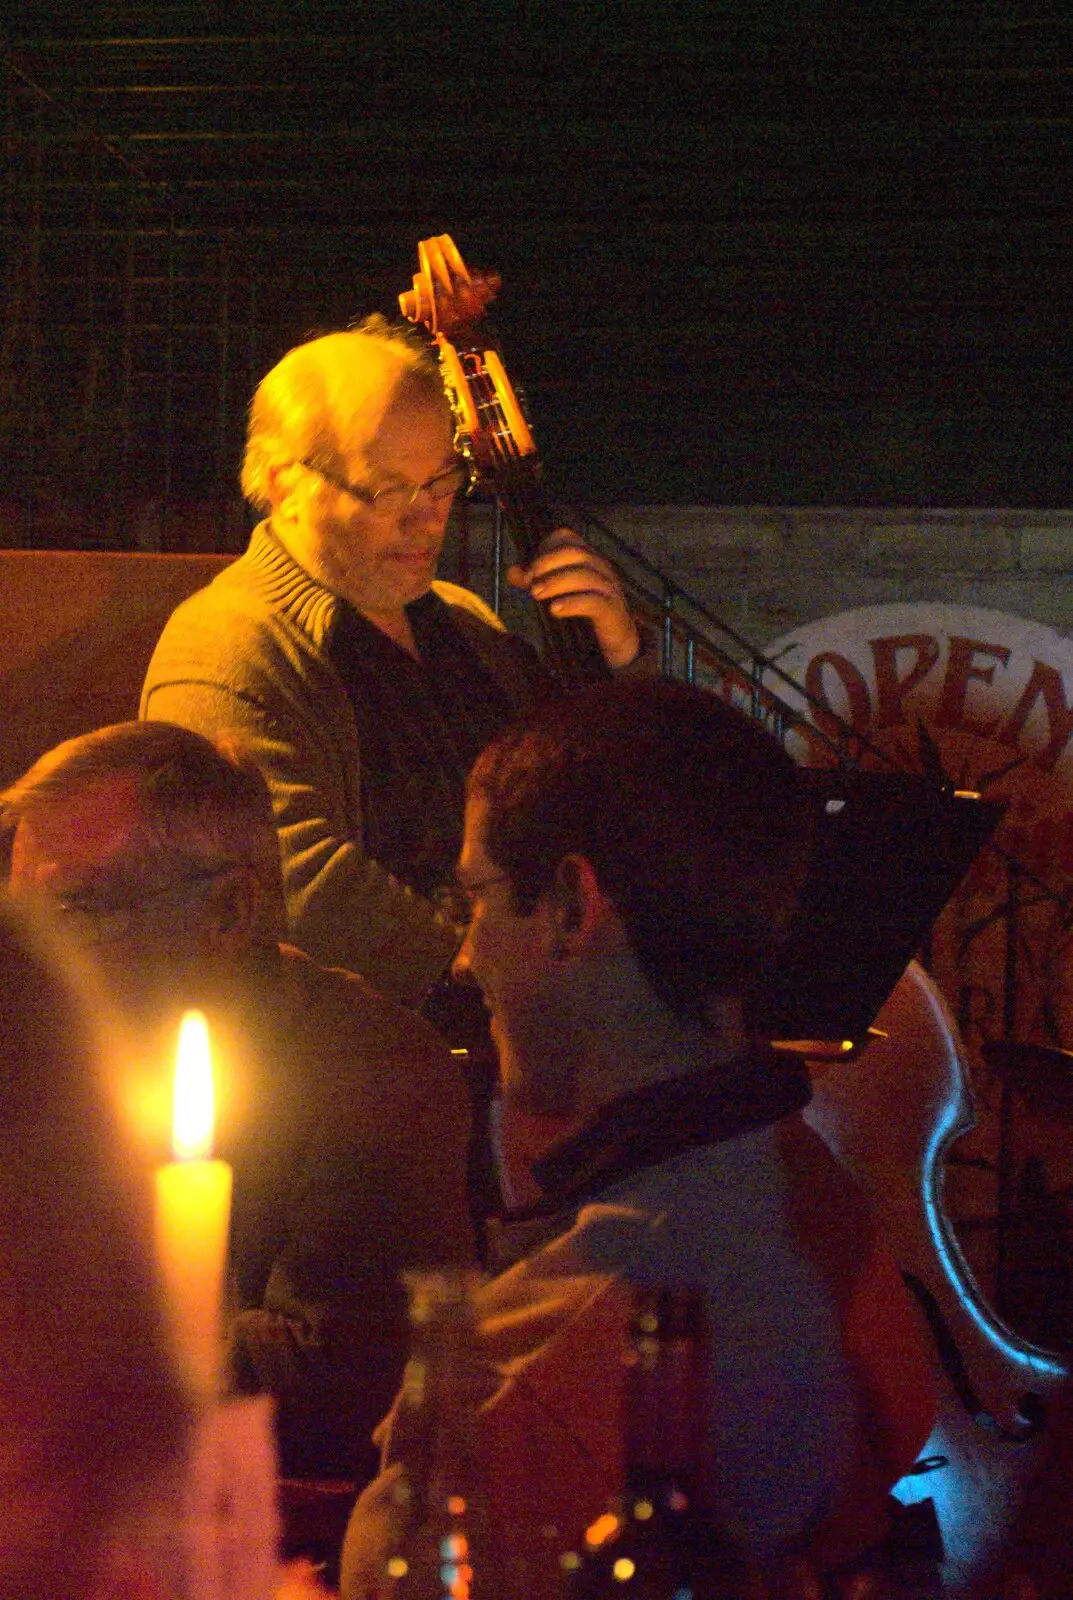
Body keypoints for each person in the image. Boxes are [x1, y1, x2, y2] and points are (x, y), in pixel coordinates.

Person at [340, 679, 938, 1600]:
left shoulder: (534, 1375)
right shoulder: (821, 1204)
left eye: (478, 897)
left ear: (575, 905)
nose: (466, 954)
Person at [2, 720, 475, 1483]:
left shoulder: (366, 1066)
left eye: (75, 912)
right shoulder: (38, 1056)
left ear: (227, 911)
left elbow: (337, 1376)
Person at [139, 318, 645, 1012]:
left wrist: (619, 664)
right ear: (287, 484)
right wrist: (491, 972)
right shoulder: (222, 644)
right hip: (381, 1054)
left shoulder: (468, 626)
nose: (428, 519)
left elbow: (595, 791)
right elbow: (287, 878)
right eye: (387, 491)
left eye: (441, 482)